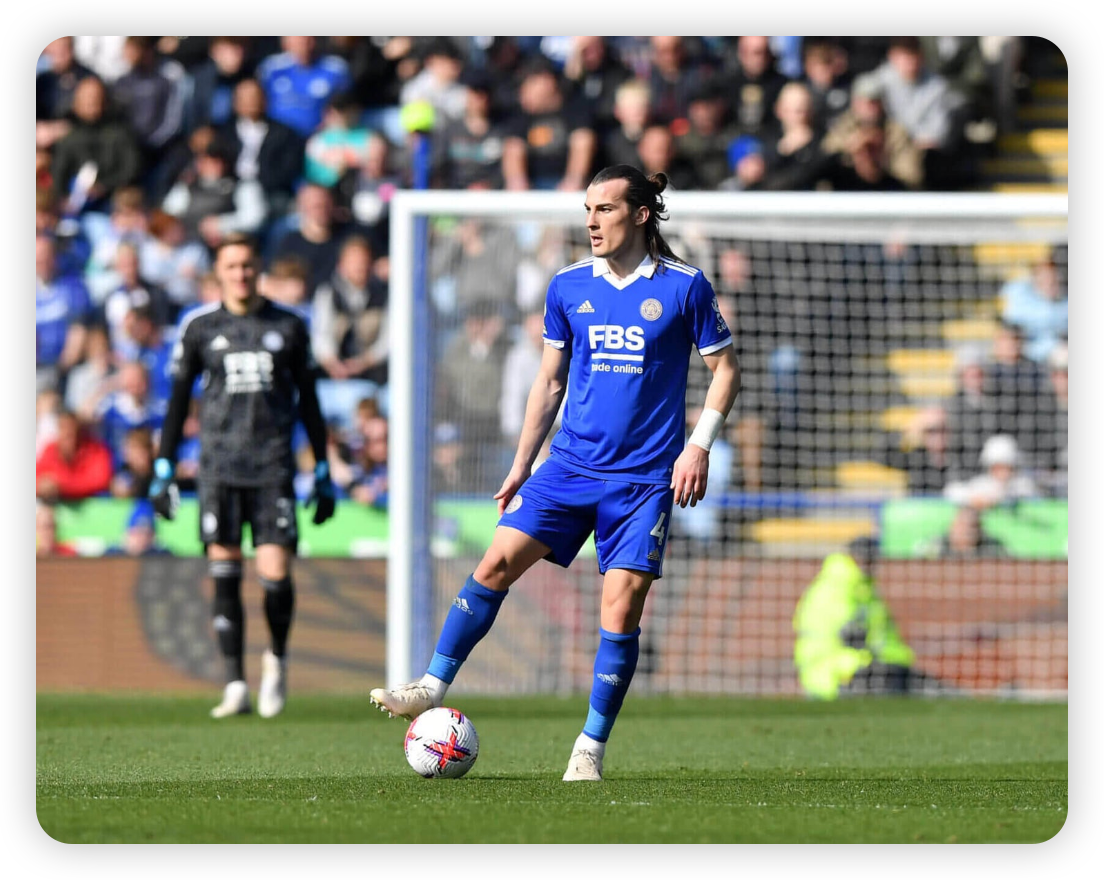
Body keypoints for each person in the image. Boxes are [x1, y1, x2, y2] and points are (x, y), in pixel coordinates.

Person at [370, 165, 742, 782]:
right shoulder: (568, 287)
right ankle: (432, 686)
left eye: (605, 209)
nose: (591, 221)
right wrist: (522, 465)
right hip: (568, 467)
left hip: (643, 481)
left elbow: (726, 370)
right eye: (587, 209)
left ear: (641, 214)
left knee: (619, 612)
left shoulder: (684, 288)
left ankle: (588, 749)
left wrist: (697, 446)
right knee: (492, 563)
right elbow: (549, 381)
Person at [148, 233, 336, 719]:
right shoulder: (200, 328)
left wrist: (321, 468)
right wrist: (164, 465)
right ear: (219, 272)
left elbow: (311, 404)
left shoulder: (289, 326)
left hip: (272, 467)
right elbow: (176, 403)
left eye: (248, 265)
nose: (241, 274)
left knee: (275, 574)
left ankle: (276, 659)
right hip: (218, 469)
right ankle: (235, 683)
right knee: (225, 574)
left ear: (259, 269)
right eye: (232, 266)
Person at [793, 536, 939, 700]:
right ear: (852, 557)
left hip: (867, 668)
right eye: (865, 557)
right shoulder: (834, 588)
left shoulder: (865, 588)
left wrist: (900, 663)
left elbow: (882, 639)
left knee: (933, 691)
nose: (870, 563)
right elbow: (850, 637)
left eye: (872, 558)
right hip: (836, 676)